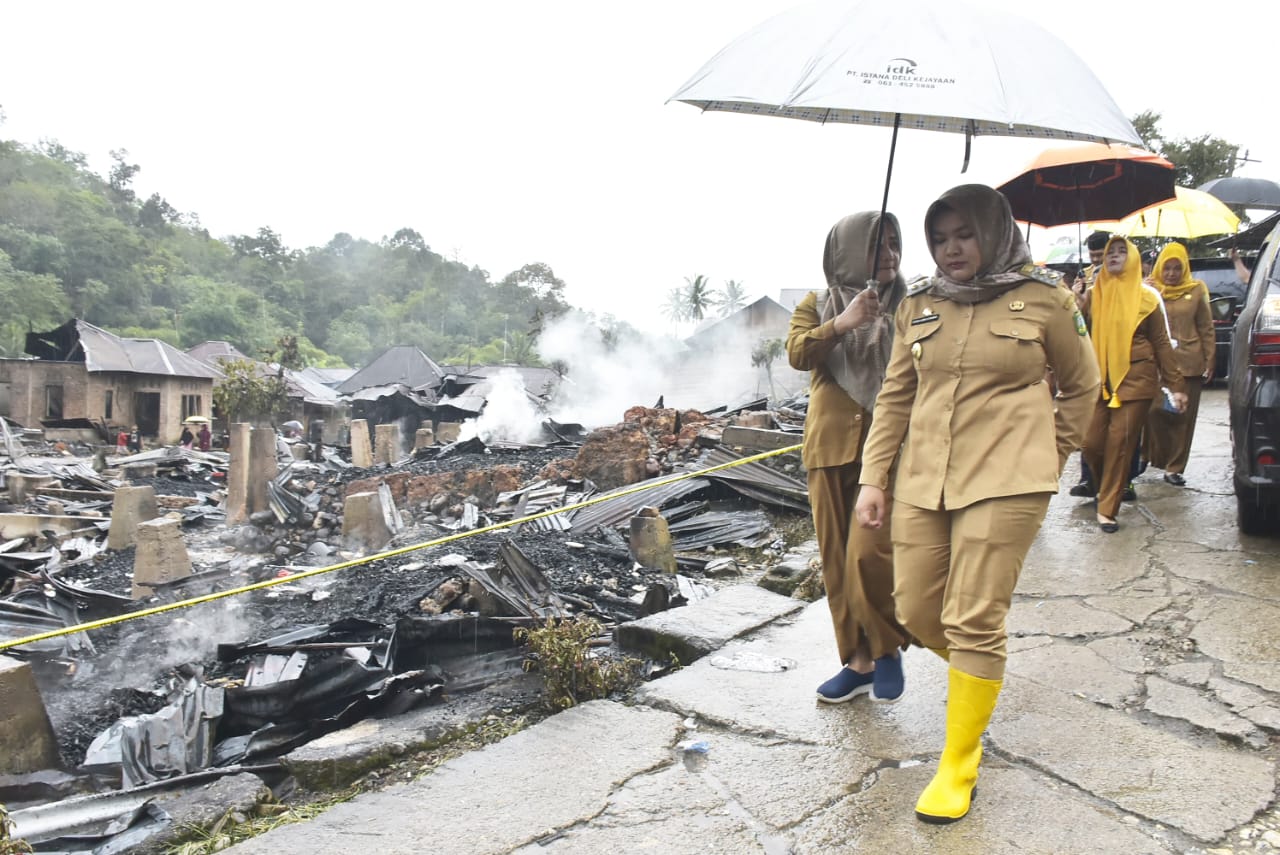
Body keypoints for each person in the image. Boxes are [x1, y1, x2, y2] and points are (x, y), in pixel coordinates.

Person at [854, 184, 1099, 824]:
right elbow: (894, 398)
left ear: (993, 232)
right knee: (914, 605)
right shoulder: (921, 304)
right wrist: (873, 479)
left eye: (964, 234)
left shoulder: (1047, 299)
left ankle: (958, 763)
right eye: (939, 238)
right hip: (923, 478)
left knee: (973, 618)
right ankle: (978, 679)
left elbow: (1081, 386)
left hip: (1008, 478)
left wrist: (1050, 455)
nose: (951, 249)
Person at [786, 211, 911, 704]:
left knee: (870, 553)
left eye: (896, 245)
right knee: (837, 560)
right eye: (878, 246)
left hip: (888, 447)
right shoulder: (817, 303)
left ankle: (886, 650)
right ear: (850, 251)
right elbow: (797, 352)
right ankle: (856, 661)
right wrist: (844, 322)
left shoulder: (912, 302)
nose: (890, 255)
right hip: (830, 445)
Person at [1080, 237, 1187, 532]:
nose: (1113, 256)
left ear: (1133, 259)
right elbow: (1079, 336)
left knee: (1120, 442)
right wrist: (1076, 304)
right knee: (1091, 444)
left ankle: (1107, 508)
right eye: (1110, 253)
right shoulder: (1094, 293)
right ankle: (1107, 487)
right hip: (1100, 380)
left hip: (1136, 379)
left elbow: (1162, 344)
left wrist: (1176, 385)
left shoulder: (1148, 298)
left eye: (1120, 252)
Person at [1142, 242, 1213, 486]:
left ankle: (1174, 468)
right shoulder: (1149, 290)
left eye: (1176, 268)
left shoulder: (1195, 291)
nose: (1171, 274)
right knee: (1154, 411)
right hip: (1159, 363)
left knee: (1184, 418)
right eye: (1167, 268)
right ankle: (1151, 455)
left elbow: (1206, 327)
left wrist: (1210, 360)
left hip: (1190, 362)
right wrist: (1146, 291)